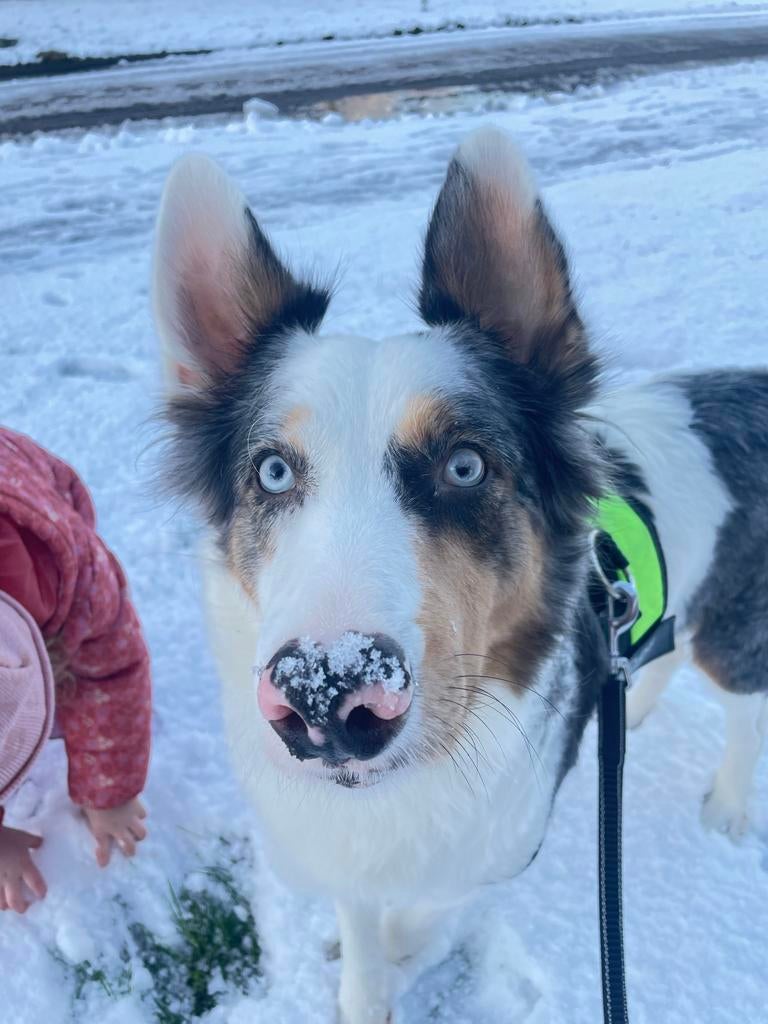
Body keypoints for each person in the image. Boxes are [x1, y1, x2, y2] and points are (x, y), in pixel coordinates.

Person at [0, 427, 151, 913]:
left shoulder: (75, 580)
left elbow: (114, 672)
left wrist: (109, 794)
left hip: (28, 481)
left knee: (92, 658)